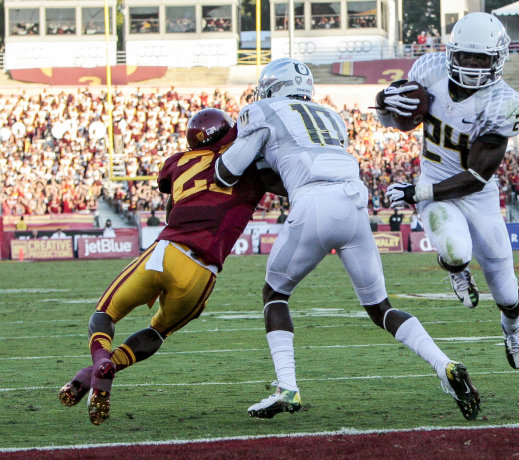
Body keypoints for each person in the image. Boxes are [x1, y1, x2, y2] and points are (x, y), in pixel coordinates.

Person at [215, 58, 480, 422]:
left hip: (313, 203)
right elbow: (292, 167)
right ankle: (445, 365)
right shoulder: (330, 117)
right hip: (354, 202)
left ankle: (287, 386)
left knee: (274, 294)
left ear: (273, 87)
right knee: (381, 307)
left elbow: (226, 172)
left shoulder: (260, 110)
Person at [58, 108, 283, 425]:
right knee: (157, 331)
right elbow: (288, 182)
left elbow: (169, 208)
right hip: (202, 271)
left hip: (166, 250)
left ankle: (97, 363)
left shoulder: (178, 162)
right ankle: (103, 369)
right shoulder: (248, 167)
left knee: (104, 314)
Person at [377, 12, 519, 370]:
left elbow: (475, 176)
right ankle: (457, 270)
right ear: (451, 53)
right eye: (466, 56)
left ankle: (514, 329)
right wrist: (385, 105)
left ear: (497, 59)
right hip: (434, 181)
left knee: (506, 291)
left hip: (477, 195)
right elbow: (397, 117)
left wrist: (419, 192)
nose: (473, 65)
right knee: (456, 251)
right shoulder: (429, 70)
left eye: (482, 58)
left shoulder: (503, 103)